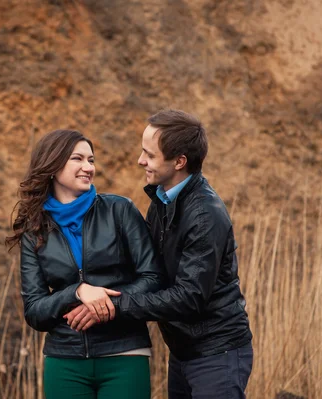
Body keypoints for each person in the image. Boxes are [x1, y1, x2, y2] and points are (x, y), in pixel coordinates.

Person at [65, 110, 253, 399]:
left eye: (150, 155)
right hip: (183, 351)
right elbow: (147, 268)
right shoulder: (163, 200)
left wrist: (115, 306)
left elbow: (189, 297)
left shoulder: (204, 216)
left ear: (179, 162)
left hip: (217, 352)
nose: (141, 161)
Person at [6, 129, 165, 399]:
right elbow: (34, 310)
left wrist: (105, 306)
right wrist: (77, 292)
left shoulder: (120, 210)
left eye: (91, 160)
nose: (88, 167)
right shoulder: (35, 229)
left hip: (124, 353)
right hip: (64, 361)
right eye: (77, 159)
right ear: (53, 166)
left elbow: (154, 279)